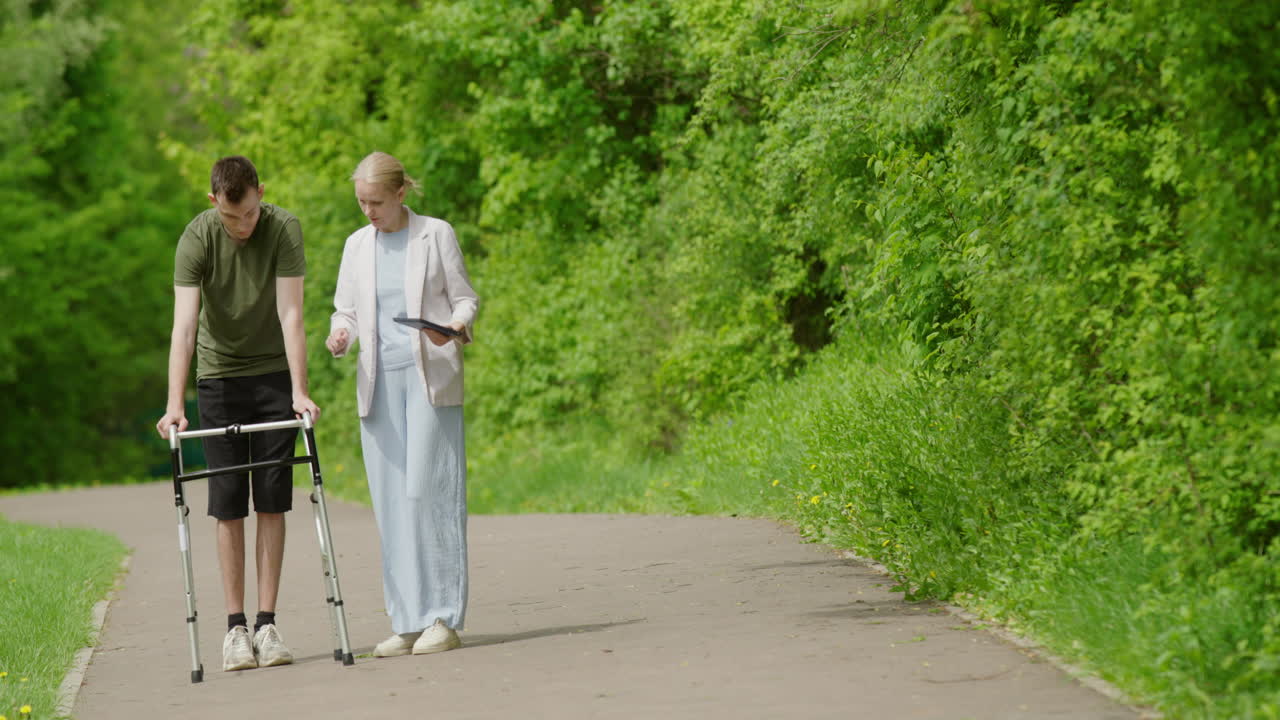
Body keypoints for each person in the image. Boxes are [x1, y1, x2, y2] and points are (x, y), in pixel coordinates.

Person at [155, 156, 321, 672]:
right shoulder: (196, 239)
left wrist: (299, 391)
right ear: (214, 204)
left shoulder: (283, 228)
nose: (243, 226)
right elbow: (185, 326)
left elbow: (291, 314)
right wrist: (173, 404)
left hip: (273, 373)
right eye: (232, 219)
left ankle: (267, 624)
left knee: (272, 497)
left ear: (260, 194)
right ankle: (235, 629)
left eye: (249, 214)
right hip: (219, 376)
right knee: (227, 502)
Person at [325, 151, 478, 657]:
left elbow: (464, 299)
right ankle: (407, 619)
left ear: (400, 194)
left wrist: (455, 328)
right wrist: (340, 334)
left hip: (430, 378)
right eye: (361, 202)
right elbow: (344, 308)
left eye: (375, 202)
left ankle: (443, 617)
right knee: (391, 501)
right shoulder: (356, 245)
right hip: (380, 383)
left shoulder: (435, 234)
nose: (367, 211)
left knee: (429, 494)